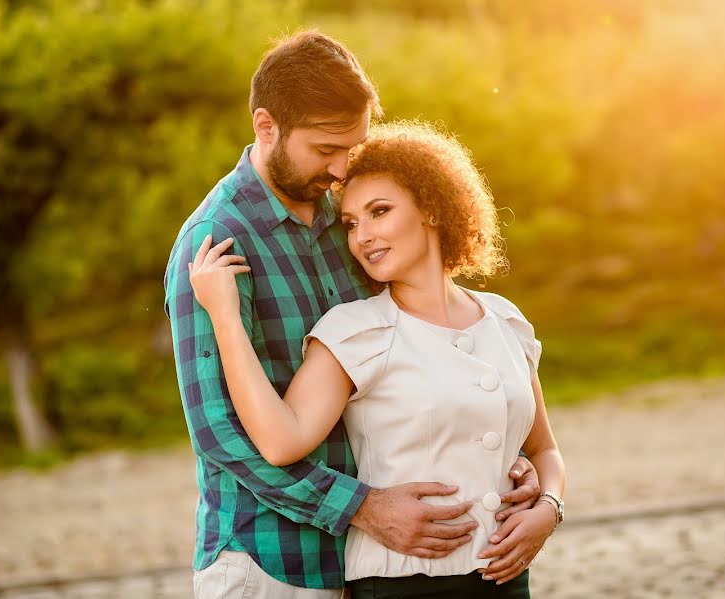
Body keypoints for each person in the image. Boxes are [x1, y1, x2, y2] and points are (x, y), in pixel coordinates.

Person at [164, 31, 541, 599]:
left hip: (374, 558)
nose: (342, 168)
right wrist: (363, 507)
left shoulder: (350, 218)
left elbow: (416, 355)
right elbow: (220, 435)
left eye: (353, 147)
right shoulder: (215, 242)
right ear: (266, 127)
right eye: (325, 150)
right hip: (271, 561)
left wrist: (511, 462)